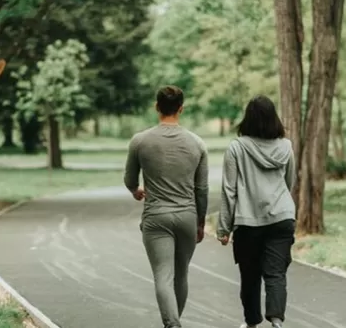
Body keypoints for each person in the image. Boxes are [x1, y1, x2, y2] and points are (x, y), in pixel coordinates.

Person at [123, 85, 209, 328]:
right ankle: (173, 322)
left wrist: (135, 191)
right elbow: (201, 189)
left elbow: (130, 179)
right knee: (181, 274)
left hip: (156, 217)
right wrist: (201, 222)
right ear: (181, 108)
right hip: (187, 216)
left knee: (163, 275)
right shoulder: (197, 144)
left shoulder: (140, 141)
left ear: (156, 107)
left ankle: (172, 324)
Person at [217, 95, 296, 328]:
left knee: (249, 276)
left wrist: (224, 228)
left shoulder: (236, 148)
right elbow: (289, 182)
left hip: (248, 222)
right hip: (282, 218)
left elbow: (229, 190)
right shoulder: (286, 147)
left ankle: (251, 322)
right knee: (276, 274)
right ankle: (277, 320)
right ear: (274, 118)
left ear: (248, 119)